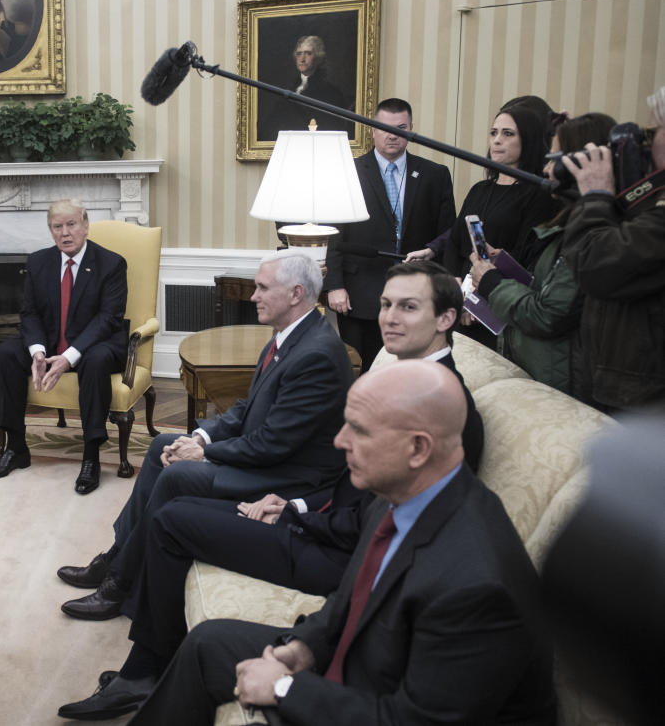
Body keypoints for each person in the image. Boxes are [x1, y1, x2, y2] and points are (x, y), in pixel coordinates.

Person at [56, 260, 485, 720]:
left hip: (328, 546)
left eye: (408, 307)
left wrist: (300, 511)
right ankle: (131, 604)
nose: (389, 317)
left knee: (174, 509)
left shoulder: (447, 410)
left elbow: (384, 530)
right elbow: (359, 489)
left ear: (445, 319)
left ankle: (140, 657)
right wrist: (290, 501)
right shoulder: (398, 378)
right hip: (315, 512)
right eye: (384, 304)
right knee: (171, 497)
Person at [127, 361, 556, 725]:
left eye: (358, 430)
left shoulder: (477, 587)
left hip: (390, 703)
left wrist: (282, 687)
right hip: (368, 664)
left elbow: (409, 720)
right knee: (208, 644)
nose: (340, 441)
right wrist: (302, 647)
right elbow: (348, 601)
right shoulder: (399, 496)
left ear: (418, 448)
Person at [56, 252, 351, 619]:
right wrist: (200, 440)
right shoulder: (288, 337)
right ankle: (117, 556)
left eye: (262, 288)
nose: (253, 296)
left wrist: (205, 456)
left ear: (295, 294)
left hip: (287, 476)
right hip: (270, 457)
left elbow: (273, 444)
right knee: (163, 444)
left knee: (179, 473)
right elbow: (247, 407)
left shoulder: (317, 354)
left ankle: (121, 584)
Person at [469, 113, 615, 403]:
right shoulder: (574, 223)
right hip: (543, 373)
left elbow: (549, 314)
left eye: (555, 160)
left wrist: (491, 281)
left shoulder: (593, 230)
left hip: (563, 385)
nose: (547, 169)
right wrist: (505, 268)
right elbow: (547, 287)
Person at [0, 199, 129, 494]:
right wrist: (37, 351)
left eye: (71, 224)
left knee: (96, 360)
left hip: (98, 345)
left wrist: (68, 358)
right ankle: (16, 448)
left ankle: (91, 457)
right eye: (57, 227)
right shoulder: (39, 262)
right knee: (6, 353)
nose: (65, 233)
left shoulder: (112, 264)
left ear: (86, 225)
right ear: (50, 230)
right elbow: (30, 313)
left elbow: (107, 319)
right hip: (51, 341)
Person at [407, 106, 559, 347]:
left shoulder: (538, 195)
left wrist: (480, 301)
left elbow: (524, 257)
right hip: (459, 304)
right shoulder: (480, 189)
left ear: (528, 141)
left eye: (508, 134)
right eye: (493, 133)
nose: (497, 141)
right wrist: (456, 289)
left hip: (499, 310)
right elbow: (456, 242)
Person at [324, 98, 456, 364]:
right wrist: (334, 285)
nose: (392, 134)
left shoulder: (434, 174)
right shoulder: (349, 172)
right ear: (372, 129)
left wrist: (433, 255)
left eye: (401, 127)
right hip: (359, 293)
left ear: (411, 129)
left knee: (411, 370)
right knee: (361, 369)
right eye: (384, 127)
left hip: (416, 294)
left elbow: (449, 232)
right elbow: (332, 234)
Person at [560, 116, 665, 411]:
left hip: (642, 398)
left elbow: (595, 264)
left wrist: (595, 195)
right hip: (625, 383)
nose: (647, 140)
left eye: (656, 129)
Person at [259, 35, 350, 139]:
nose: (302, 59)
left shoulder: (330, 93)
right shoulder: (289, 88)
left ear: (318, 57)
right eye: (299, 54)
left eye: (308, 53)